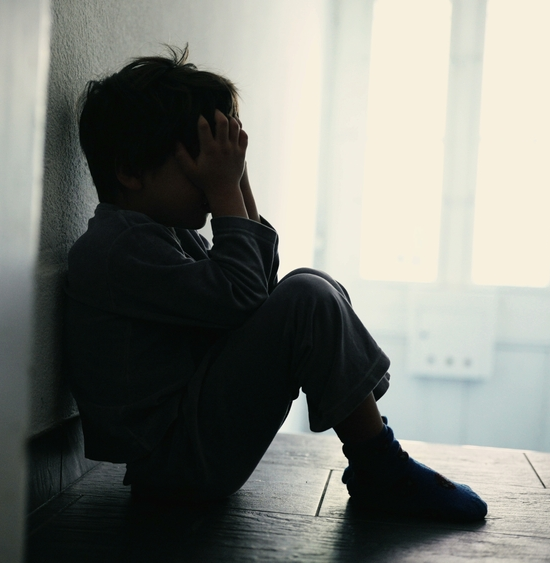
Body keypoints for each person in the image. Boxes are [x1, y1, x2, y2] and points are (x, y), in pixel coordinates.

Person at [63, 46, 487, 522]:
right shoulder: (118, 247)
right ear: (130, 172)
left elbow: (256, 296)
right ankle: (380, 468)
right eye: (197, 174)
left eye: (215, 174)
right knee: (307, 295)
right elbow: (244, 296)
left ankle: (377, 461)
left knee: (308, 286)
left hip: (188, 452)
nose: (210, 187)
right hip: (178, 462)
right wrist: (225, 189)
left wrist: (237, 180)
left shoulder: (162, 233)